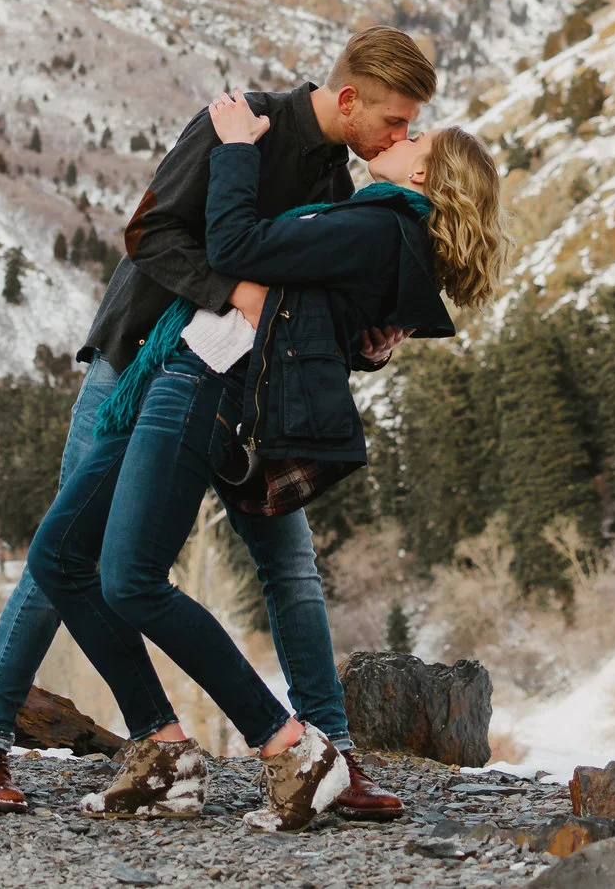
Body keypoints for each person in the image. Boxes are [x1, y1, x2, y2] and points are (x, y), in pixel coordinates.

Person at [0, 28, 439, 817]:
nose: (402, 137)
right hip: (138, 362)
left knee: (289, 565)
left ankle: (331, 756)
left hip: (243, 395)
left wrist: (370, 345)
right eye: (397, 122)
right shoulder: (240, 123)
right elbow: (151, 235)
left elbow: (309, 305)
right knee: (65, 550)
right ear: (351, 100)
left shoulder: (344, 183)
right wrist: (232, 292)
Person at [25, 91, 507, 831]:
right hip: (173, 366)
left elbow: (235, 247)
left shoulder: (381, 228)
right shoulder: (374, 224)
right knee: (61, 556)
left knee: (130, 578)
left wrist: (239, 147)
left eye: (419, 139)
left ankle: (291, 747)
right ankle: (162, 751)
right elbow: (312, 307)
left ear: (426, 178)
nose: (405, 137)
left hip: (206, 383)